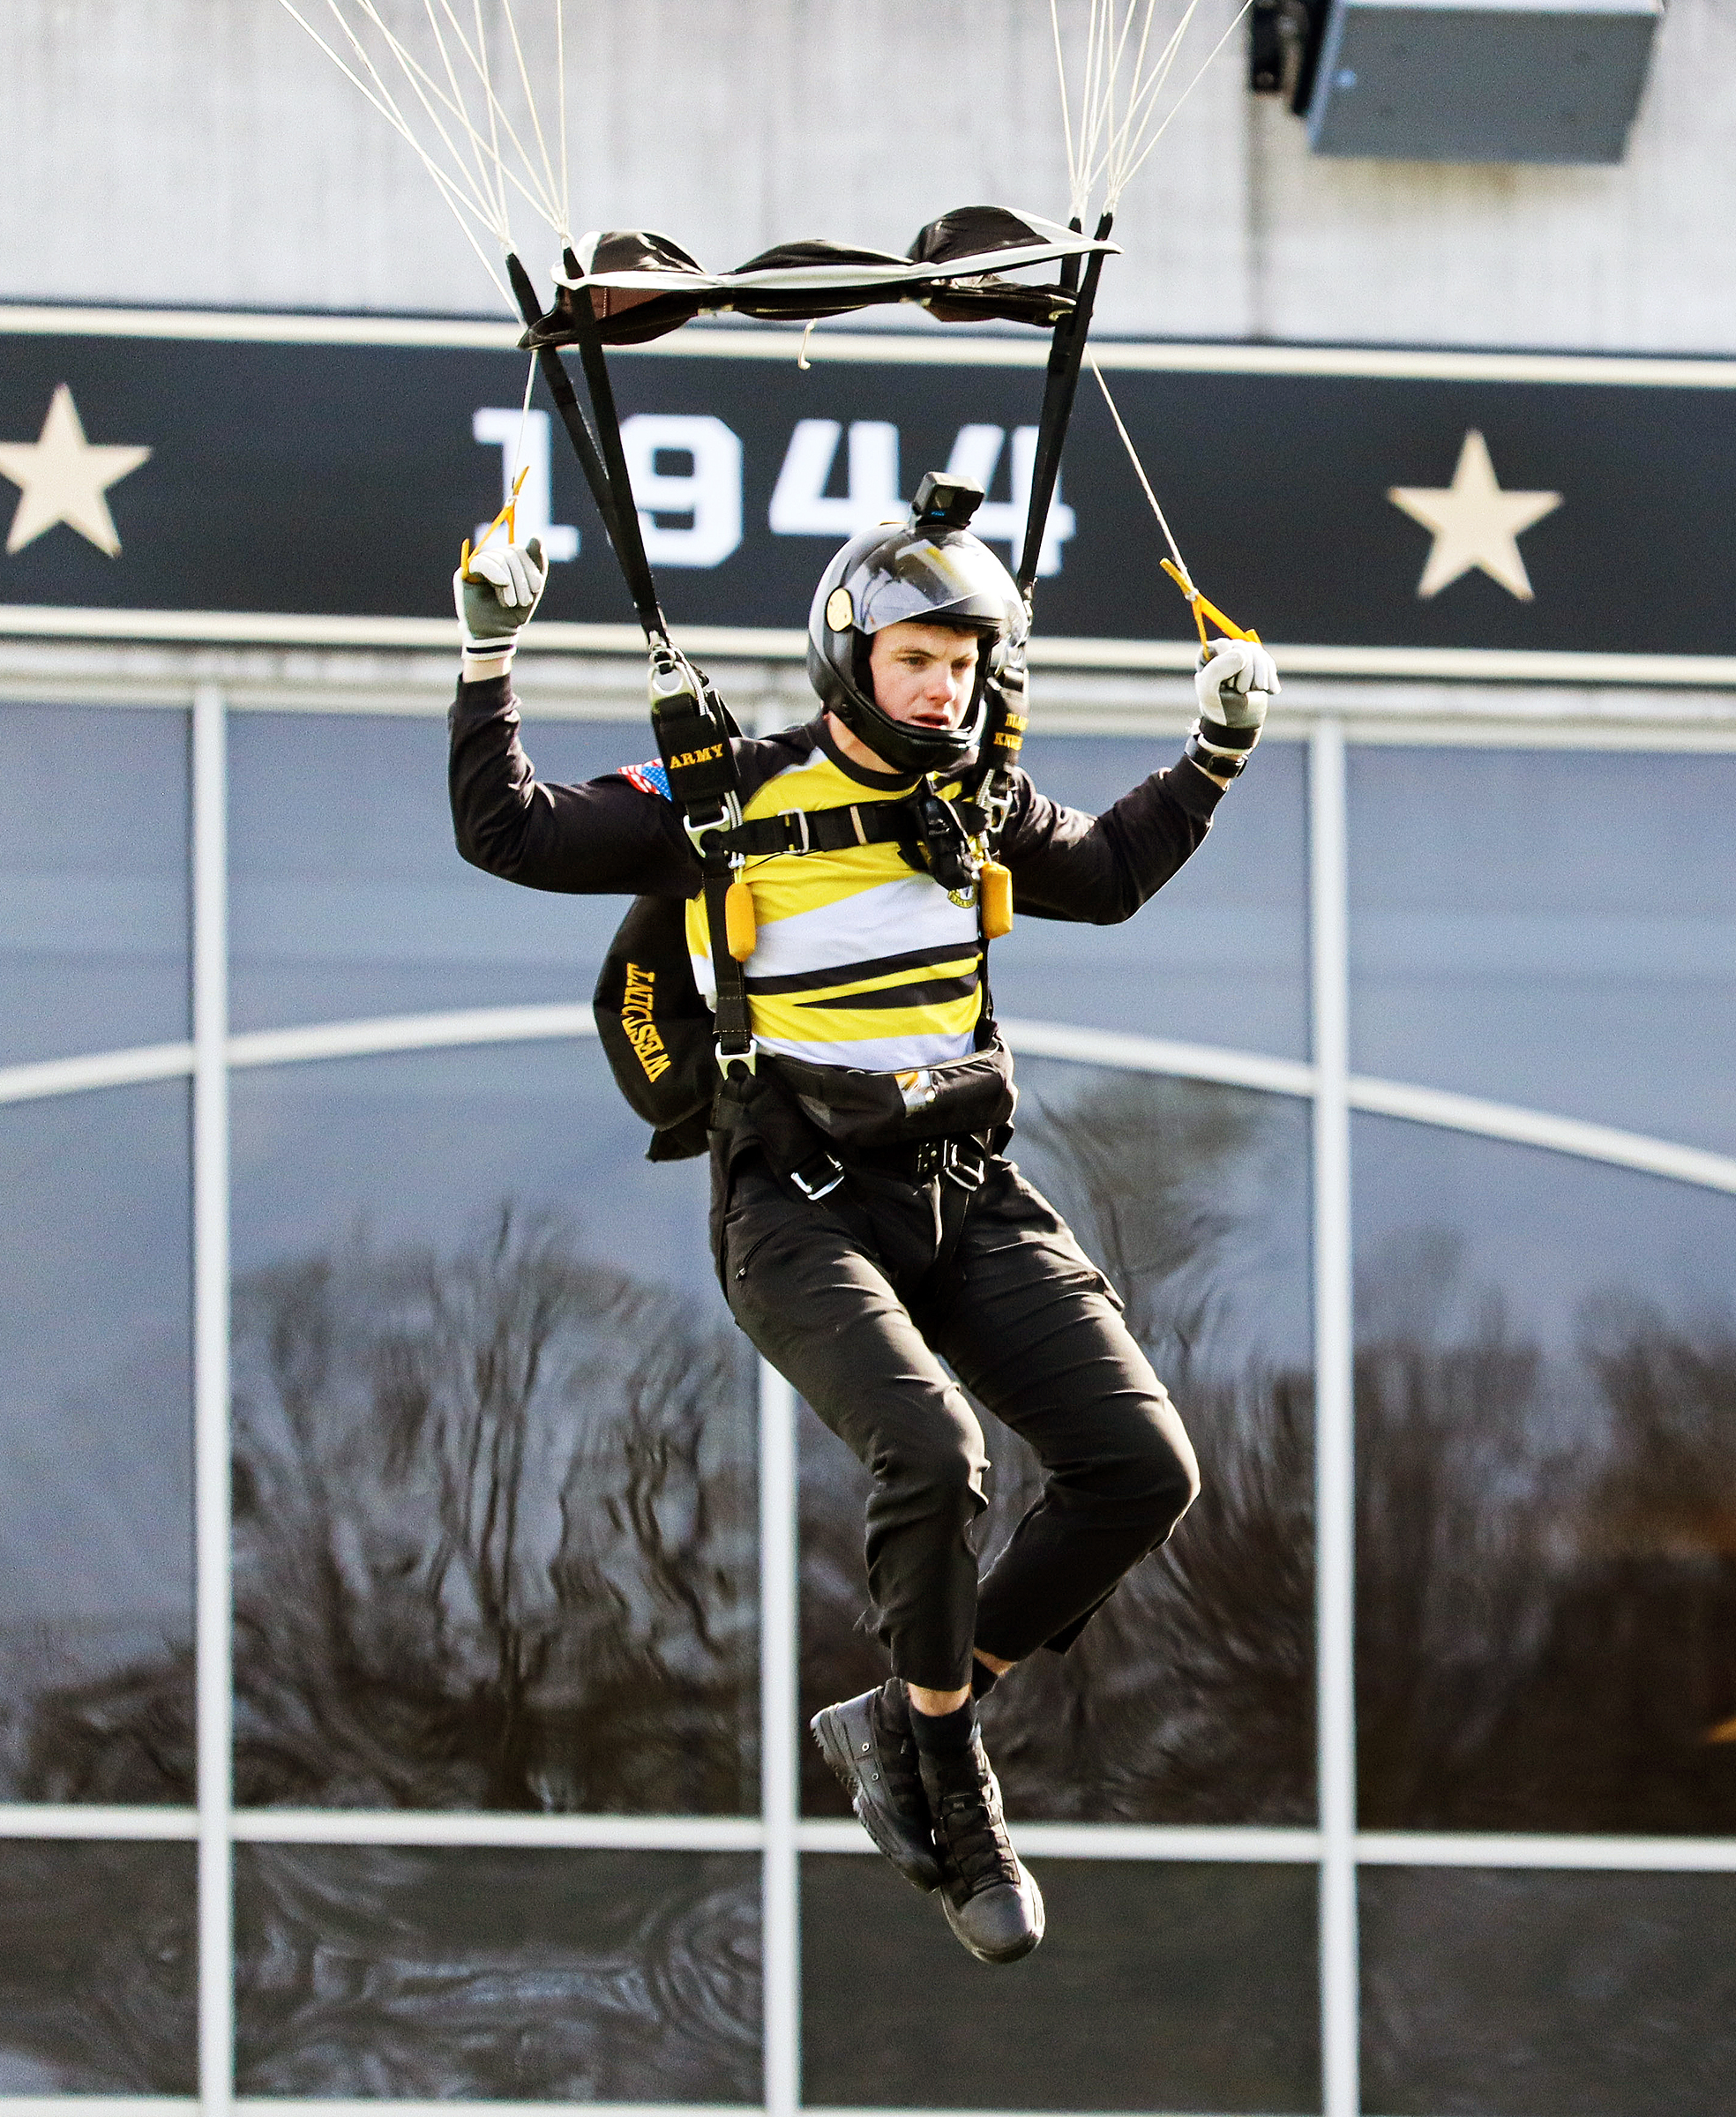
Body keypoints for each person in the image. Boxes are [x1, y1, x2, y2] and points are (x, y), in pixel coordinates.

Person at [443, 482, 1276, 1963]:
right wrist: (488, 660)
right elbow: (508, 832)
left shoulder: (982, 805)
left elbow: (1113, 875)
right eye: (915, 662)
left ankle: (908, 1712)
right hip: (797, 1207)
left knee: (1140, 1468)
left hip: (965, 1185)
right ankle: (954, 1788)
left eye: (964, 666)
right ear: (850, 660)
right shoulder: (724, 801)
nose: (942, 690)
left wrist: (1214, 751)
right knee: (933, 1452)